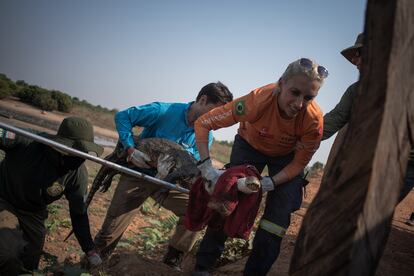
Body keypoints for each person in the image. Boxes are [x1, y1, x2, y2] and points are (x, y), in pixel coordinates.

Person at [192, 58, 327, 275]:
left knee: (277, 220)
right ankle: (203, 266)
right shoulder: (257, 101)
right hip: (249, 146)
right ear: (281, 84)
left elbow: (299, 163)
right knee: (227, 198)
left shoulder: (313, 121)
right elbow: (203, 123)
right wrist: (206, 166)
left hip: (286, 158)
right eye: (294, 92)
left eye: (309, 97)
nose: (299, 104)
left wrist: (270, 183)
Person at [93, 82, 233, 269]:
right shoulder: (163, 110)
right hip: (139, 173)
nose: (216, 120)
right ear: (202, 99)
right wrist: (130, 149)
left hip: (170, 184)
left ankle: (171, 262)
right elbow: (123, 117)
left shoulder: (206, 135)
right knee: (110, 232)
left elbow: (195, 165)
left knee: (199, 209)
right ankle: (93, 266)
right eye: (214, 113)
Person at [323, 33, 414, 221]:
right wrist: (297, 135)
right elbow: (333, 120)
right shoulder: (356, 91)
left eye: (359, 53)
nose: (355, 61)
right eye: (354, 56)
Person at [0, 117, 104, 275]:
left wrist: (90, 250)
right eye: (74, 151)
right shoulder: (29, 141)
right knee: (7, 254)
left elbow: (79, 214)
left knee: (30, 261)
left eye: (83, 152)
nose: (78, 157)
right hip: (5, 201)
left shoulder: (77, 174)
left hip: (33, 212)